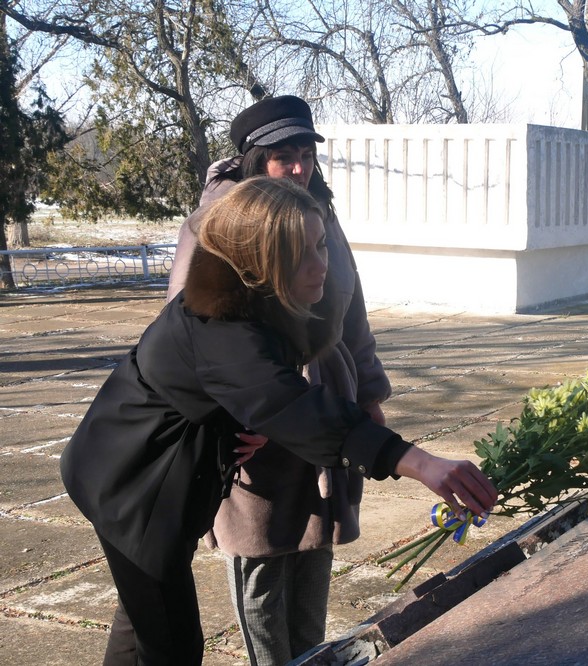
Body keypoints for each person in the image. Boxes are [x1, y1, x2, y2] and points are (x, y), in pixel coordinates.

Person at [61, 177, 497, 665]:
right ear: (257, 257)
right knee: (172, 643)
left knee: (142, 614)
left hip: (171, 468)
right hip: (133, 482)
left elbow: (255, 391)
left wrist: (243, 421)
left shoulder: (265, 294)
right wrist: (416, 462)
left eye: (320, 245)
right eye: (299, 255)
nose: (320, 266)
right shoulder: (220, 325)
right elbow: (293, 403)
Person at [168, 96, 389, 665]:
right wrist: (241, 417)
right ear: (254, 160)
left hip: (323, 402)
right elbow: (194, 333)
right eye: (282, 157)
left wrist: (368, 392)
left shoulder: (320, 212)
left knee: (315, 547)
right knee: (262, 557)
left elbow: (352, 307)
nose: (298, 168)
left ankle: (310, 658)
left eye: (305, 155)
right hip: (255, 412)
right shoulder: (223, 221)